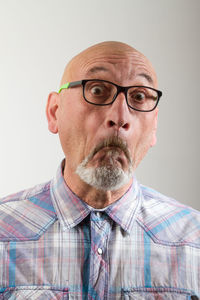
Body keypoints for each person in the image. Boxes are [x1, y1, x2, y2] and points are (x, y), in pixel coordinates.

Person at [0, 41, 199, 300]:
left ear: (154, 127)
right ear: (54, 112)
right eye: (97, 90)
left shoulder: (193, 242)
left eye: (139, 97)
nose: (120, 116)